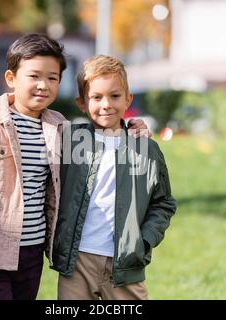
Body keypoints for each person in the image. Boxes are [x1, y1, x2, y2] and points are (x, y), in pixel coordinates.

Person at [0, 34, 149, 300]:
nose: (43, 85)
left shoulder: (60, 127)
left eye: (52, 78)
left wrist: (131, 128)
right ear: (11, 79)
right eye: (34, 76)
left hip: (32, 253)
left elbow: (100, 134)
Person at [51, 55, 177, 300]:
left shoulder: (145, 148)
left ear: (128, 98)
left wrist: (144, 242)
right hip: (77, 262)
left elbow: (163, 203)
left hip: (125, 263)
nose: (106, 104)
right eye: (96, 97)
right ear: (81, 102)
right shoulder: (67, 141)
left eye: (115, 95)